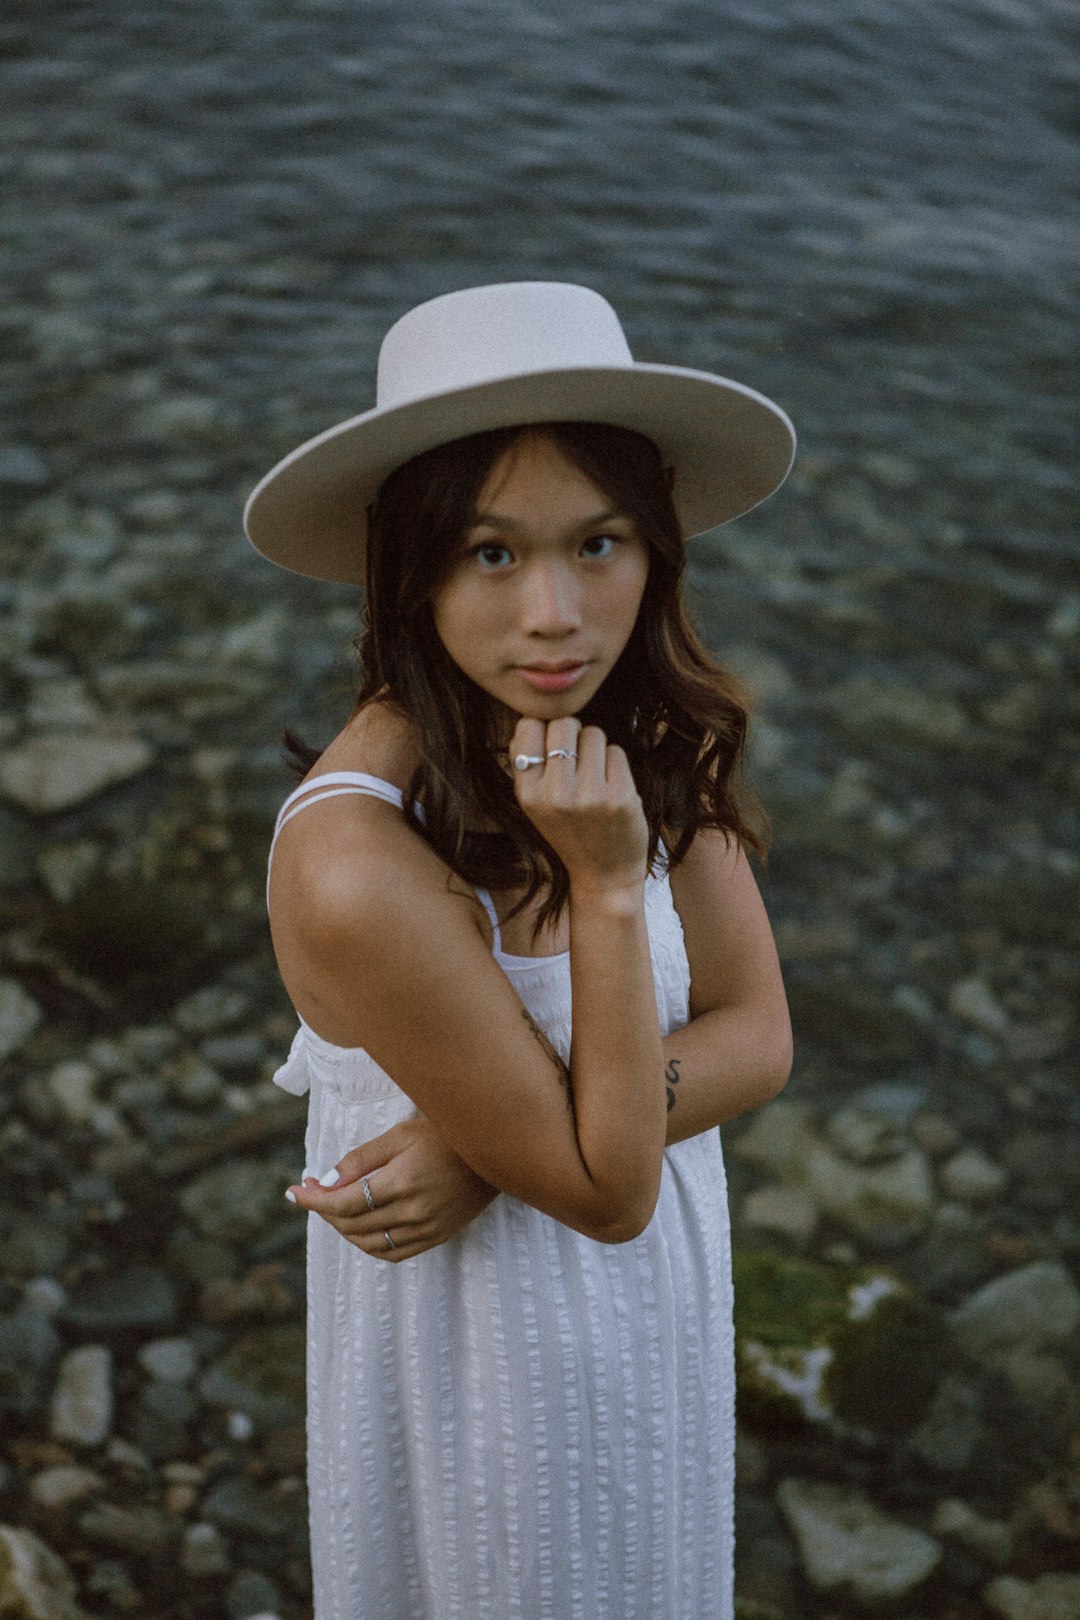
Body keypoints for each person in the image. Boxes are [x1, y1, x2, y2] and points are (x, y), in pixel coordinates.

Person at [245, 282, 795, 1620]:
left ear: (655, 550)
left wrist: (485, 1145)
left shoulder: (639, 734)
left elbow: (760, 1034)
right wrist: (608, 891)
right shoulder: (357, 864)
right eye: (492, 554)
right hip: (488, 1351)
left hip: (646, 1306)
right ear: (410, 566)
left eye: (598, 544)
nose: (556, 614)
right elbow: (605, 1188)